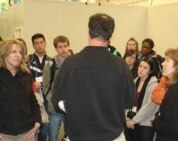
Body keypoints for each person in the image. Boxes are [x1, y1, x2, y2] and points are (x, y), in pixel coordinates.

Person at [52, 13, 136, 141]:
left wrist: (76, 109)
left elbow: (57, 103)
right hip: (112, 136)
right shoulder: (120, 65)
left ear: (89, 31)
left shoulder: (70, 64)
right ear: (111, 35)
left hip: (78, 135)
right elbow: (129, 100)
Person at [0, 39, 41, 141]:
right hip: (4, 134)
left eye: (20, 52)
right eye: (14, 52)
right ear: (4, 53)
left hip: (27, 132)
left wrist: (37, 122)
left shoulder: (26, 75)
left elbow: (33, 102)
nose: (18, 55)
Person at [42, 35, 70, 141]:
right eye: (60, 47)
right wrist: (51, 99)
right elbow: (45, 87)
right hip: (55, 108)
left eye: (65, 46)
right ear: (56, 48)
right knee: (53, 136)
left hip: (71, 107)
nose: (63, 49)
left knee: (72, 136)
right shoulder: (50, 65)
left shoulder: (75, 63)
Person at [125, 58, 159, 141]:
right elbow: (126, 101)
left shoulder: (154, 85)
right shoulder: (134, 82)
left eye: (145, 68)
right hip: (131, 121)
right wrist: (128, 119)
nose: (141, 69)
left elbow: (150, 107)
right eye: (140, 66)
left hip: (145, 124)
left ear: (150, 71)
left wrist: (134, 120)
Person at [28, 33, 51, 141]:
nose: (39, 45)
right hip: (32, 97)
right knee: (33, 125)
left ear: (45, 43)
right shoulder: (27, 60)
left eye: (41, 42)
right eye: (36, 43)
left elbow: (53, 80)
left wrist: (41, 84)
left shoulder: (51, 61)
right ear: (33, 45)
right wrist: (33, 85)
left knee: (44, 126)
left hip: (45, 97)